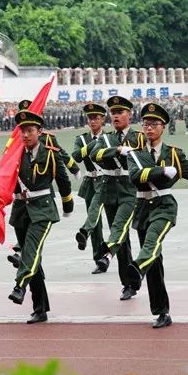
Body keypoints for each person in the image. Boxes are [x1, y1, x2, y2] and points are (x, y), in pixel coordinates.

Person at [123, 103, 188, 328]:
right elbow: (134, 177)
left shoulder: (174, 154)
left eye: (154, 124)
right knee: (155, 261)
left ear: (163, 127)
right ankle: (162, 311)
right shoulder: (136, 155)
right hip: (142, 207)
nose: (149, 128)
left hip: (164, 207)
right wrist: (161, 170)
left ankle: (137, 267)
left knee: (151, 242)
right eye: (146, 124)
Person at [7, 109, 75, 324]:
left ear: (39, 132)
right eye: (22, 131)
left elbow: (63, 180)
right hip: (21, 209)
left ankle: (19, 286)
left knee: (31, 250)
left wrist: (67, 203)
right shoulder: (15, 154)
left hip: (43, 209)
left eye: (30, 131)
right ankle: (40, 308)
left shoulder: (50, 153)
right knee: (33, 258)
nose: (25, 135)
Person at [90, 96, 143, 301]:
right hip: (112, 193)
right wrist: (118, 149)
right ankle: (128, 283)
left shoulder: (139, 138)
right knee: (122, 240)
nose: (116, 116)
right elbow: (96, 155)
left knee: (120, 231)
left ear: (129, 114)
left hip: (132, 191)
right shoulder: (106, 138)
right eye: (113, 113)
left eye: (120, 112)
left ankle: (107, 255)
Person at [73, 102, 109, 273]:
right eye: (90, 118)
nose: (92, 121)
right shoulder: (81, 139)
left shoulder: (110, 137)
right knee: (96, 223)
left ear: (103, 120)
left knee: (114, 220)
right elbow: (76, 157)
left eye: (96, 118)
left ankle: (86, 234)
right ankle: (99, 259)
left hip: (109, 181)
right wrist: (94, 144)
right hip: (91, 182)